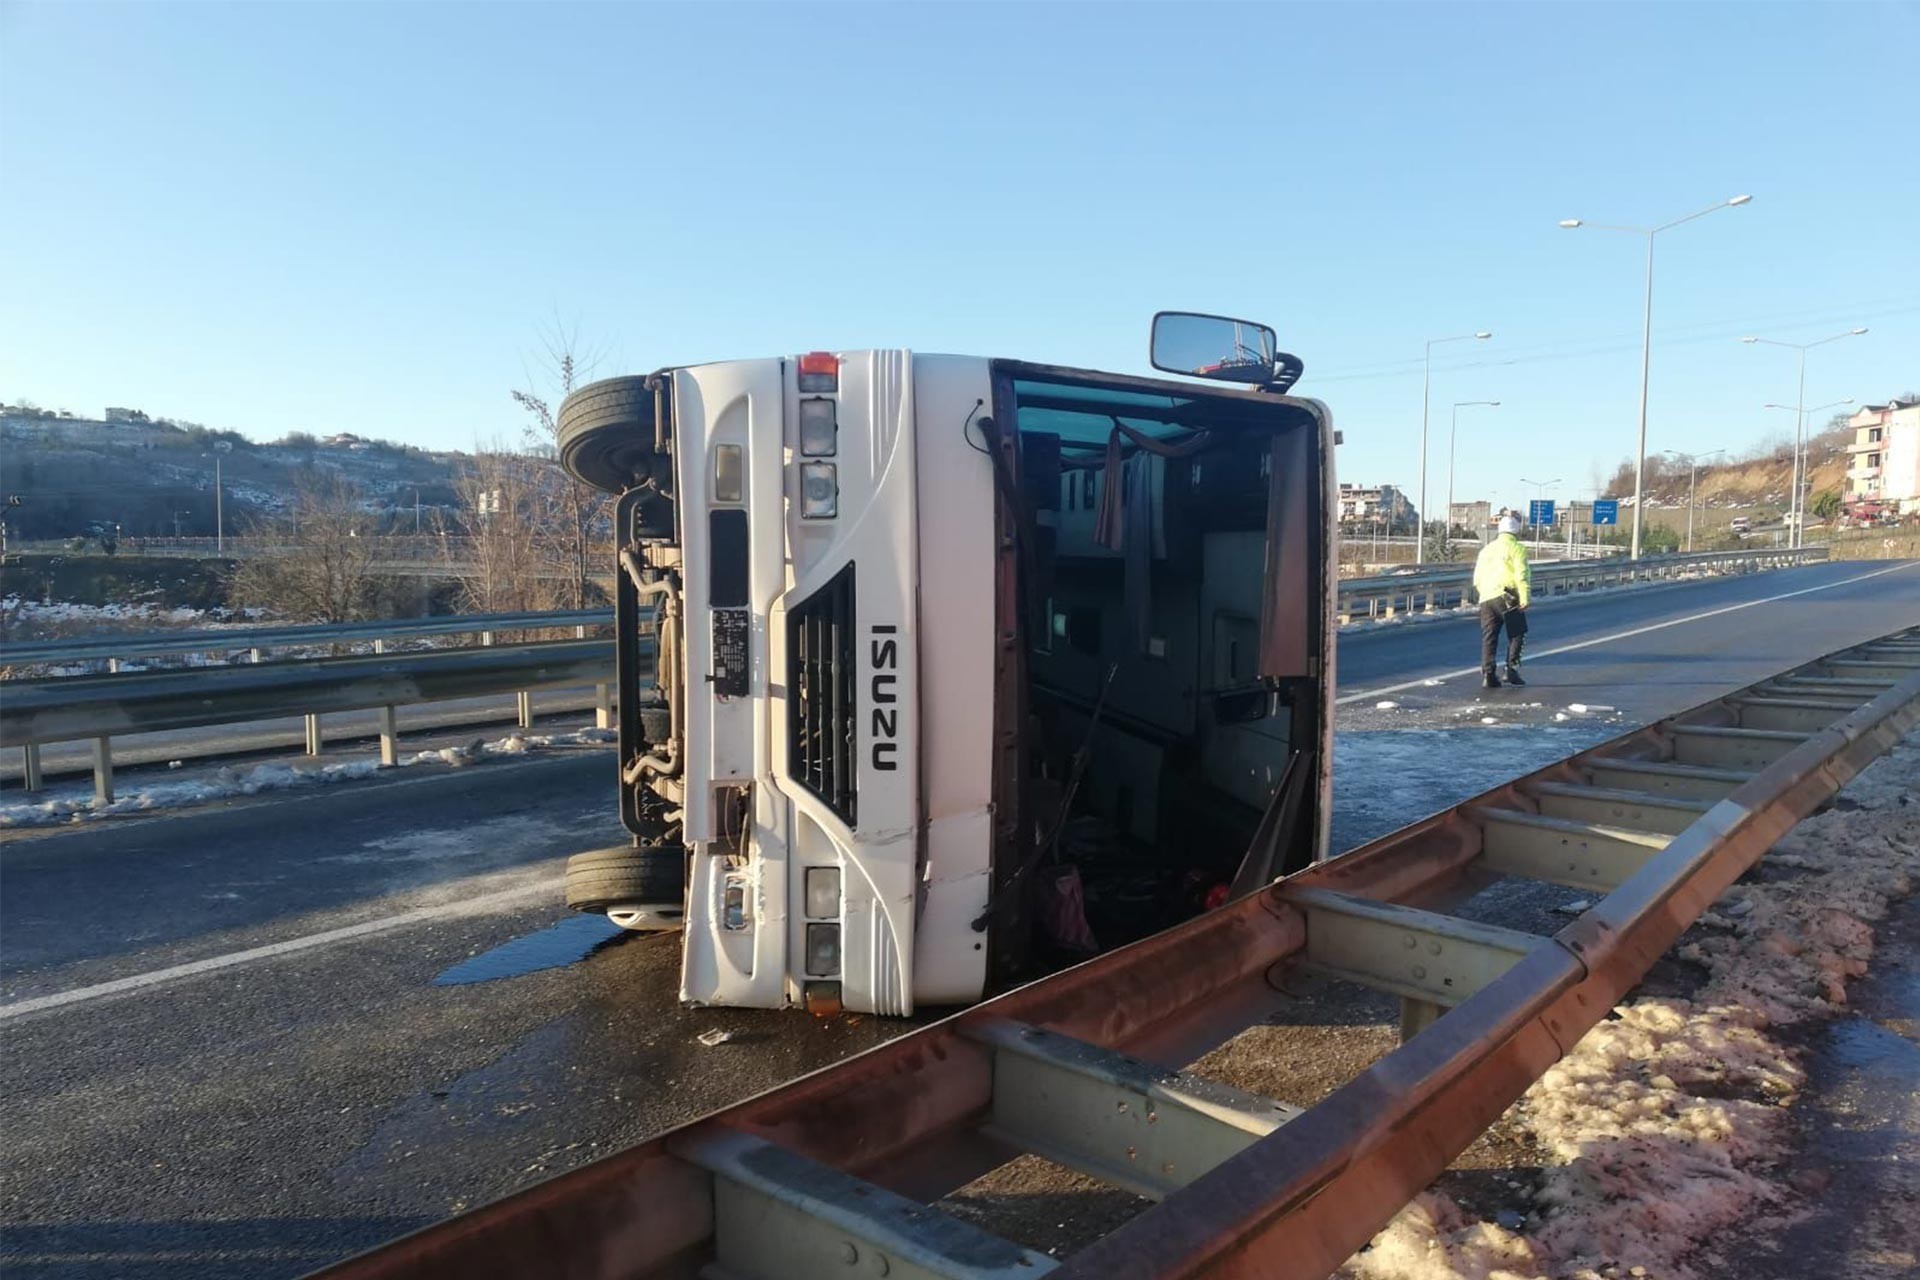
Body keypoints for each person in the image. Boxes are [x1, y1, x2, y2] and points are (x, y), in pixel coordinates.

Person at [1473, 512, 1532, 689]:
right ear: (1516, 531)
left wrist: (1484, 592)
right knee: (1517, 633)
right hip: (1508, 595)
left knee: (1489, 636)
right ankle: (1511, 670)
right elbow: (1521, 575)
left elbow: (1477, 578)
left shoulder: (1486, 550)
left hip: (1486, 597)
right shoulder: (1517, 549)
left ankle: (1488, 674)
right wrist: (1524, 598)